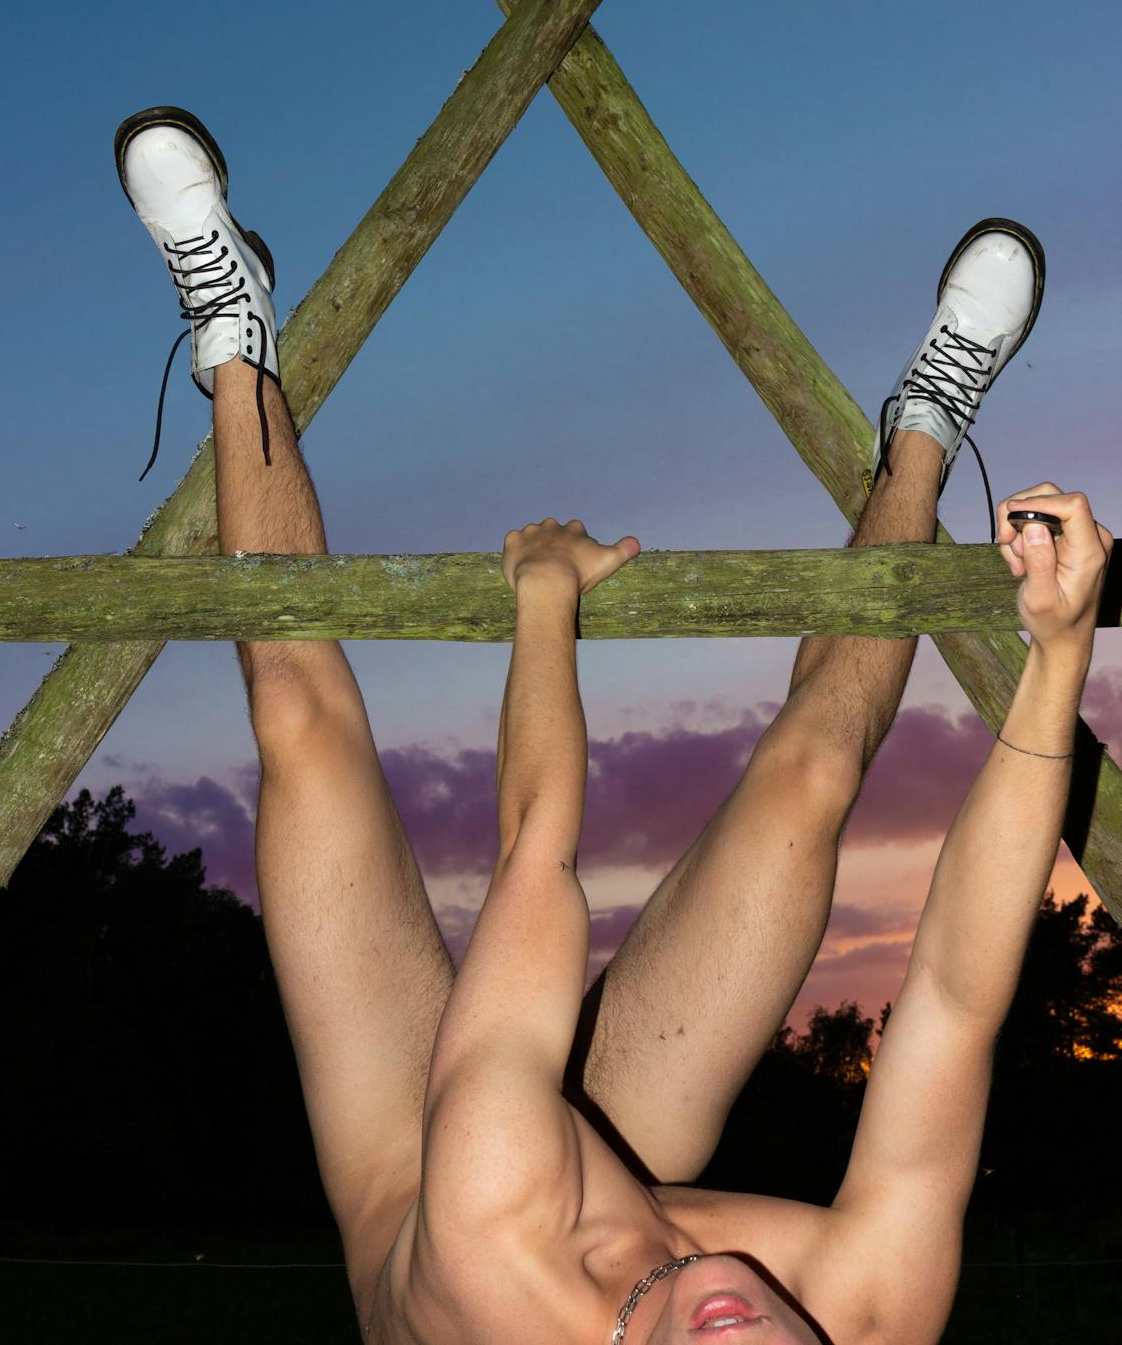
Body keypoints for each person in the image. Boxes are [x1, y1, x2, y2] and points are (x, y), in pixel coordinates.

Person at [115, 105, 1110, 1345]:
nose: (746, 1330)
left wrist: (547, 601)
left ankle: (234, 339)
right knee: (809, 777)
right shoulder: (869, 1307)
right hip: (622, 1164)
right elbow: (959, 995)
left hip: (423, 1175)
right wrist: (1058, 654)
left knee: (301, 725)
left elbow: (537, 855)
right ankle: (923, 426)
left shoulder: (493, 1241)